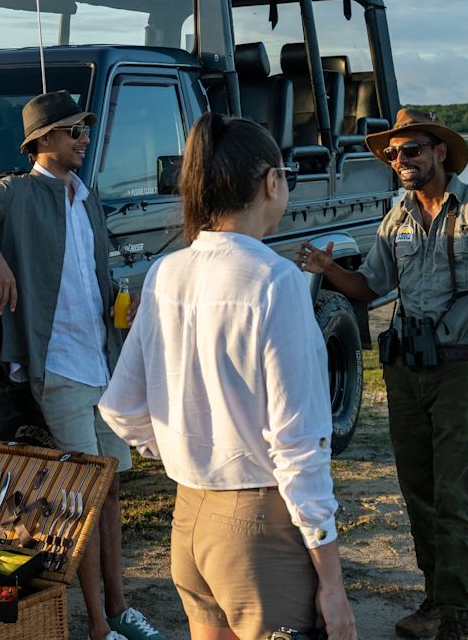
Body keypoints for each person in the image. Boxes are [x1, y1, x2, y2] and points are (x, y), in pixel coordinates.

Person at [99, 113, 357, 640]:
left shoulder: (166, 271)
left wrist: (182, 449)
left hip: (190, 517)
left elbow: (121, 406)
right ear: (270, 182)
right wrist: (332, 582)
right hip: (257, 524)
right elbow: (300, 445)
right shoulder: (275, 279)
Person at [0, 90, 162, 640]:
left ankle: (121, 611)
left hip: (102, 361)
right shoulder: (14, 192)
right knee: (87, 498)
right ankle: (100, 627)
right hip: (56, 367)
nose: (84, 139)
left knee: (114, 489)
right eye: (74, 130)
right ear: (43, 140)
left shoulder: (85, 194)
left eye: (84, 130)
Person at [297, 108, 468, 640]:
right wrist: (328, 269)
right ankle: (435, 599)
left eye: (412, 150)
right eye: (393, 153)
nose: (400, 160)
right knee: (418, 491)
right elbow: (370, 287)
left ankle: (457, 615)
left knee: (453, 494)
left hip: (457, 369)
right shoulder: (396, 218)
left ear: (439, 152)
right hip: (405, 368)